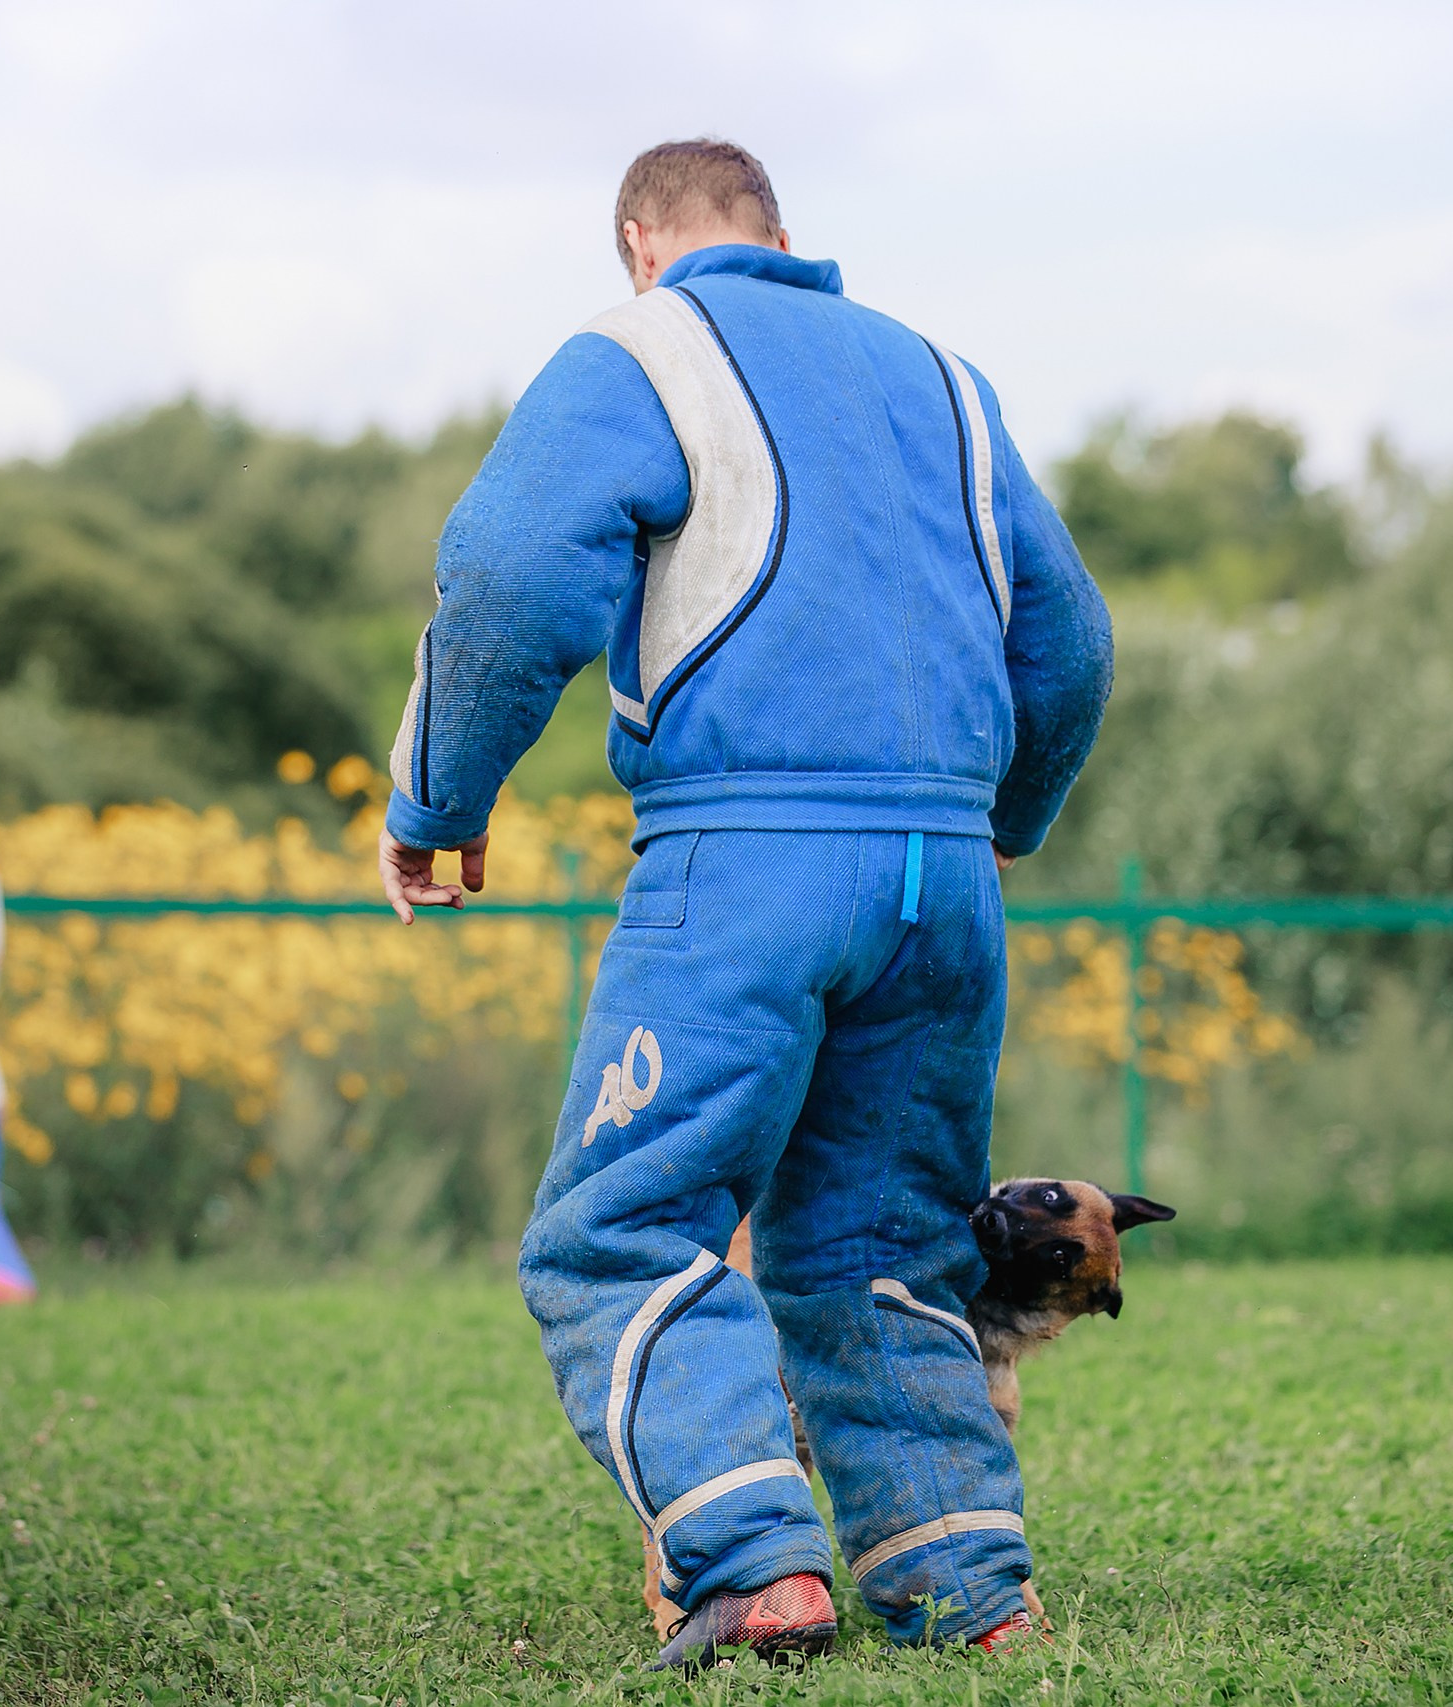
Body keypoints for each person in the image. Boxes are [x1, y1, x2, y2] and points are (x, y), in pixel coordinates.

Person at [379, 138, 1111, 1669]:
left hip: (745, 866)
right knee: (889, 1246)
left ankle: (754, 1564)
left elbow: (510, 570)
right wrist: (1006, 820)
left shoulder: (645, 345)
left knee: (620, 1232)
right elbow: (1074, 643)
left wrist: (438, 800)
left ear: (641, 243)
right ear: (784, 232)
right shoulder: (945, 380)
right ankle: (971, 1592)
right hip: (947, 883)